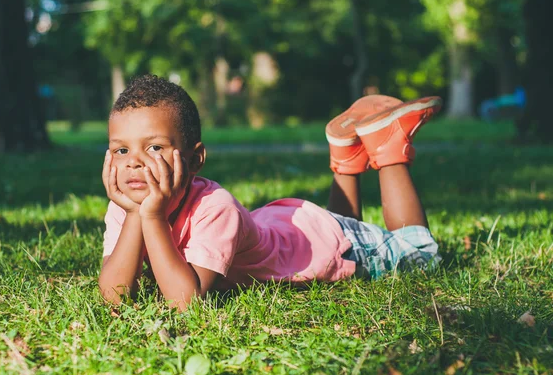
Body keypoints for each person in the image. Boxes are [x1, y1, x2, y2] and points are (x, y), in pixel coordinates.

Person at [98, 75, 442, 311]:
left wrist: (152, 217)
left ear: (194, 159)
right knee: (345, 223)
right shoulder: (125, 208)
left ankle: (388, 146)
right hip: (289, 227)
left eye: (154, 147)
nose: (135, 163)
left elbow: (184, 302)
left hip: (327, 244)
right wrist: (133, 216)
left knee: (419, 249)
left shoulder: (216, 208)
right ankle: (347, 155)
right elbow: (114, 296)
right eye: (121, 150)